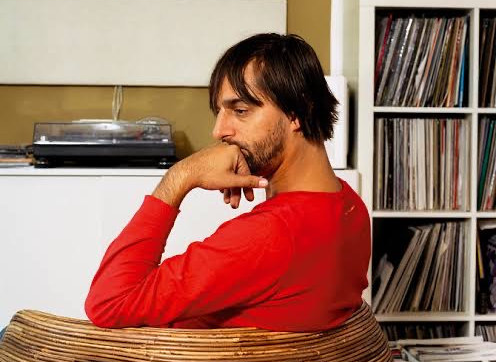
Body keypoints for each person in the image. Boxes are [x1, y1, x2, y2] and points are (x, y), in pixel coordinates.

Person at [84, 33, 371, 332]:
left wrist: (180, 176)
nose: (218, 131)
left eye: (240, 111)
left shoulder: (268, 235)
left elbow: (108, 303)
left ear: (298, 112)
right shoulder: (350, 206)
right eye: (220, 112)